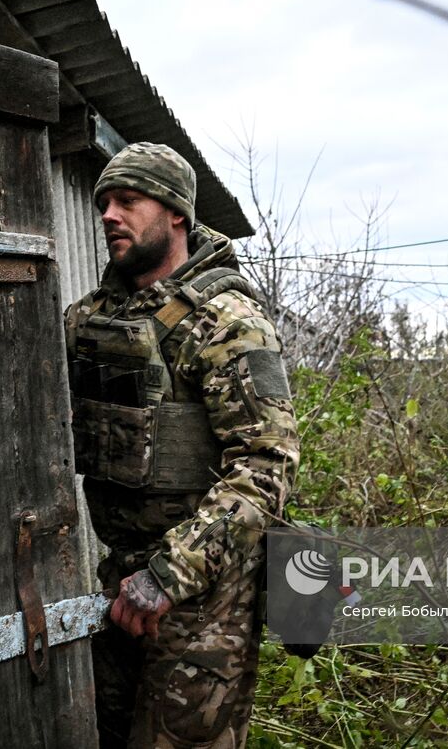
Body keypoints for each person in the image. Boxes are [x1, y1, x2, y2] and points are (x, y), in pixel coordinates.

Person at [65, 141, 300, 747]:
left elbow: (266, 467)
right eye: (104, 204)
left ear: (176, 214)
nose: (109, 215)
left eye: (128, 200)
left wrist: (169, 574)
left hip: (203, 601)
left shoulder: (227, 321)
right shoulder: (89, 318)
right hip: (120, 583)